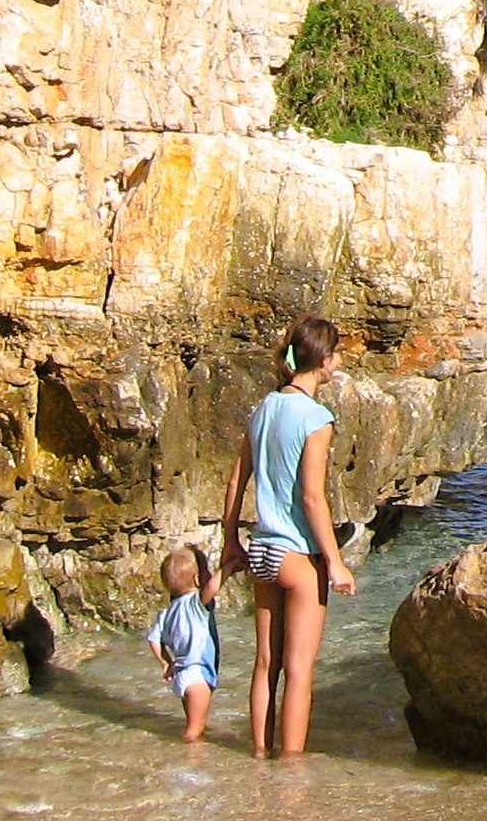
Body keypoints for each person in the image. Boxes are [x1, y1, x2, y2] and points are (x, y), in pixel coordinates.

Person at [222, 315, 356, 758]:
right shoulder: (316, 417)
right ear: (323, 359)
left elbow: (238, 477)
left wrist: (229, 540)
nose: (338, 361)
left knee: (266, 664)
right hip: (297, 556)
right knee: (299, 671)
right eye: (335, 353)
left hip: (262, 550)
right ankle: (293, 771)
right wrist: (334, 561)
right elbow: (313, 498)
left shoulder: (264, 406)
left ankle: (259, 755)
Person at [146, 543, 223, 740]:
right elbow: (213, 587)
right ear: (197, 580)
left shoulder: (167, 612)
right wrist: (229, 568)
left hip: (181, 675)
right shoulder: (196, 603)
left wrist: (165, 661)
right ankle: (189, 762)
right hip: (197, 676)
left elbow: (153, 639)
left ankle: (190, 768)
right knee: (193, 732)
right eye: (206, 573)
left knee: (194, 725)